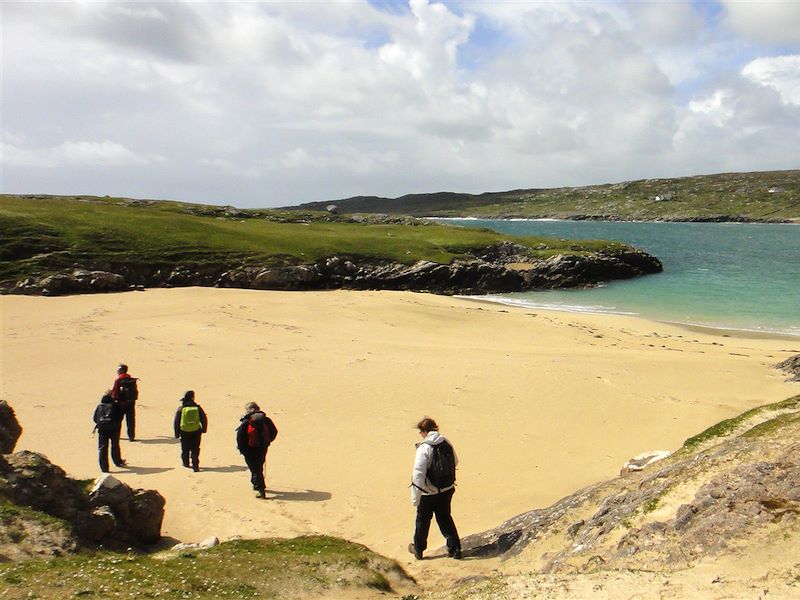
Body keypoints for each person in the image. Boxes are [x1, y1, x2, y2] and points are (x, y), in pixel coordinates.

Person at [408, 417, 461, 560]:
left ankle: (418, 549)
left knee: (423, 520)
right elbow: (456, 461)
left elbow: (418, 474)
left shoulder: (424, 448)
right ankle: (455, 549)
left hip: (428, 493)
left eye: (421, 431)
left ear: (424, 431)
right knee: (445, 517)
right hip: (447, 488)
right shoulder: (446, 442)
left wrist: (415, 497)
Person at [236, 402, 278, 499]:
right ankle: (256, 483)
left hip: (249, 449)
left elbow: (240, 437)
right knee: (258, 467)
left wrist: (242, 449)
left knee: (255, 469)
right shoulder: (266, 420)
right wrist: (267, 442)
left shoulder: (246, 421)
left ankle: (261, 490)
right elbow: (274, 431)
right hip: (262, 447)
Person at [173, 390, 208, 472]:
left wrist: (176, 433)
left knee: (185, 448)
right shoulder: (198, 407)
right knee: (195, 448)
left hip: (184, 431)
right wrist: (204, 429)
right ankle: (195, 465)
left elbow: (176, 421)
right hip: (196, 431)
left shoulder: (181, 409)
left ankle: (186, 463)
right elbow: (204, 419)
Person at [92, 391, 126, 472]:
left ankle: (104, 468)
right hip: (114, 429)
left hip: (102, 429)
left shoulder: (100, 406)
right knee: (115, 446)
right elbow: (120, 416)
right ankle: (118, 462)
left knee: (102, 448)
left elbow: (95, 418)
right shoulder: (115, 405)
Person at [111, 363, 138, 441]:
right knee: (131, 420)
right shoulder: (132, 380)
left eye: (118, 370)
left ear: (121, 370)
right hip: (131, 403)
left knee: (118, 420)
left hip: (121, 403)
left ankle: (116, 435)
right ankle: (131, 436)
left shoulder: (118, 380)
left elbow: (115, 392)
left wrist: (114, 400)